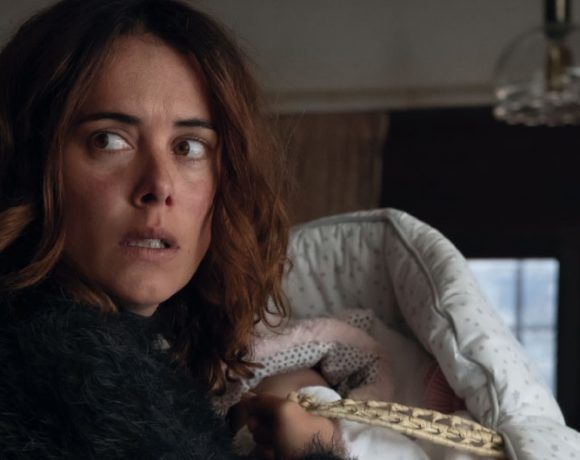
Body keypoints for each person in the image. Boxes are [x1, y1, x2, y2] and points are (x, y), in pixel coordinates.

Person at [0, 0, 344, 458]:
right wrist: (314, 449)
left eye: (189, 147)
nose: (159, 185)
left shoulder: (153, 357)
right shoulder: (55, 365)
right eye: (109, 140)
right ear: (29, 163)